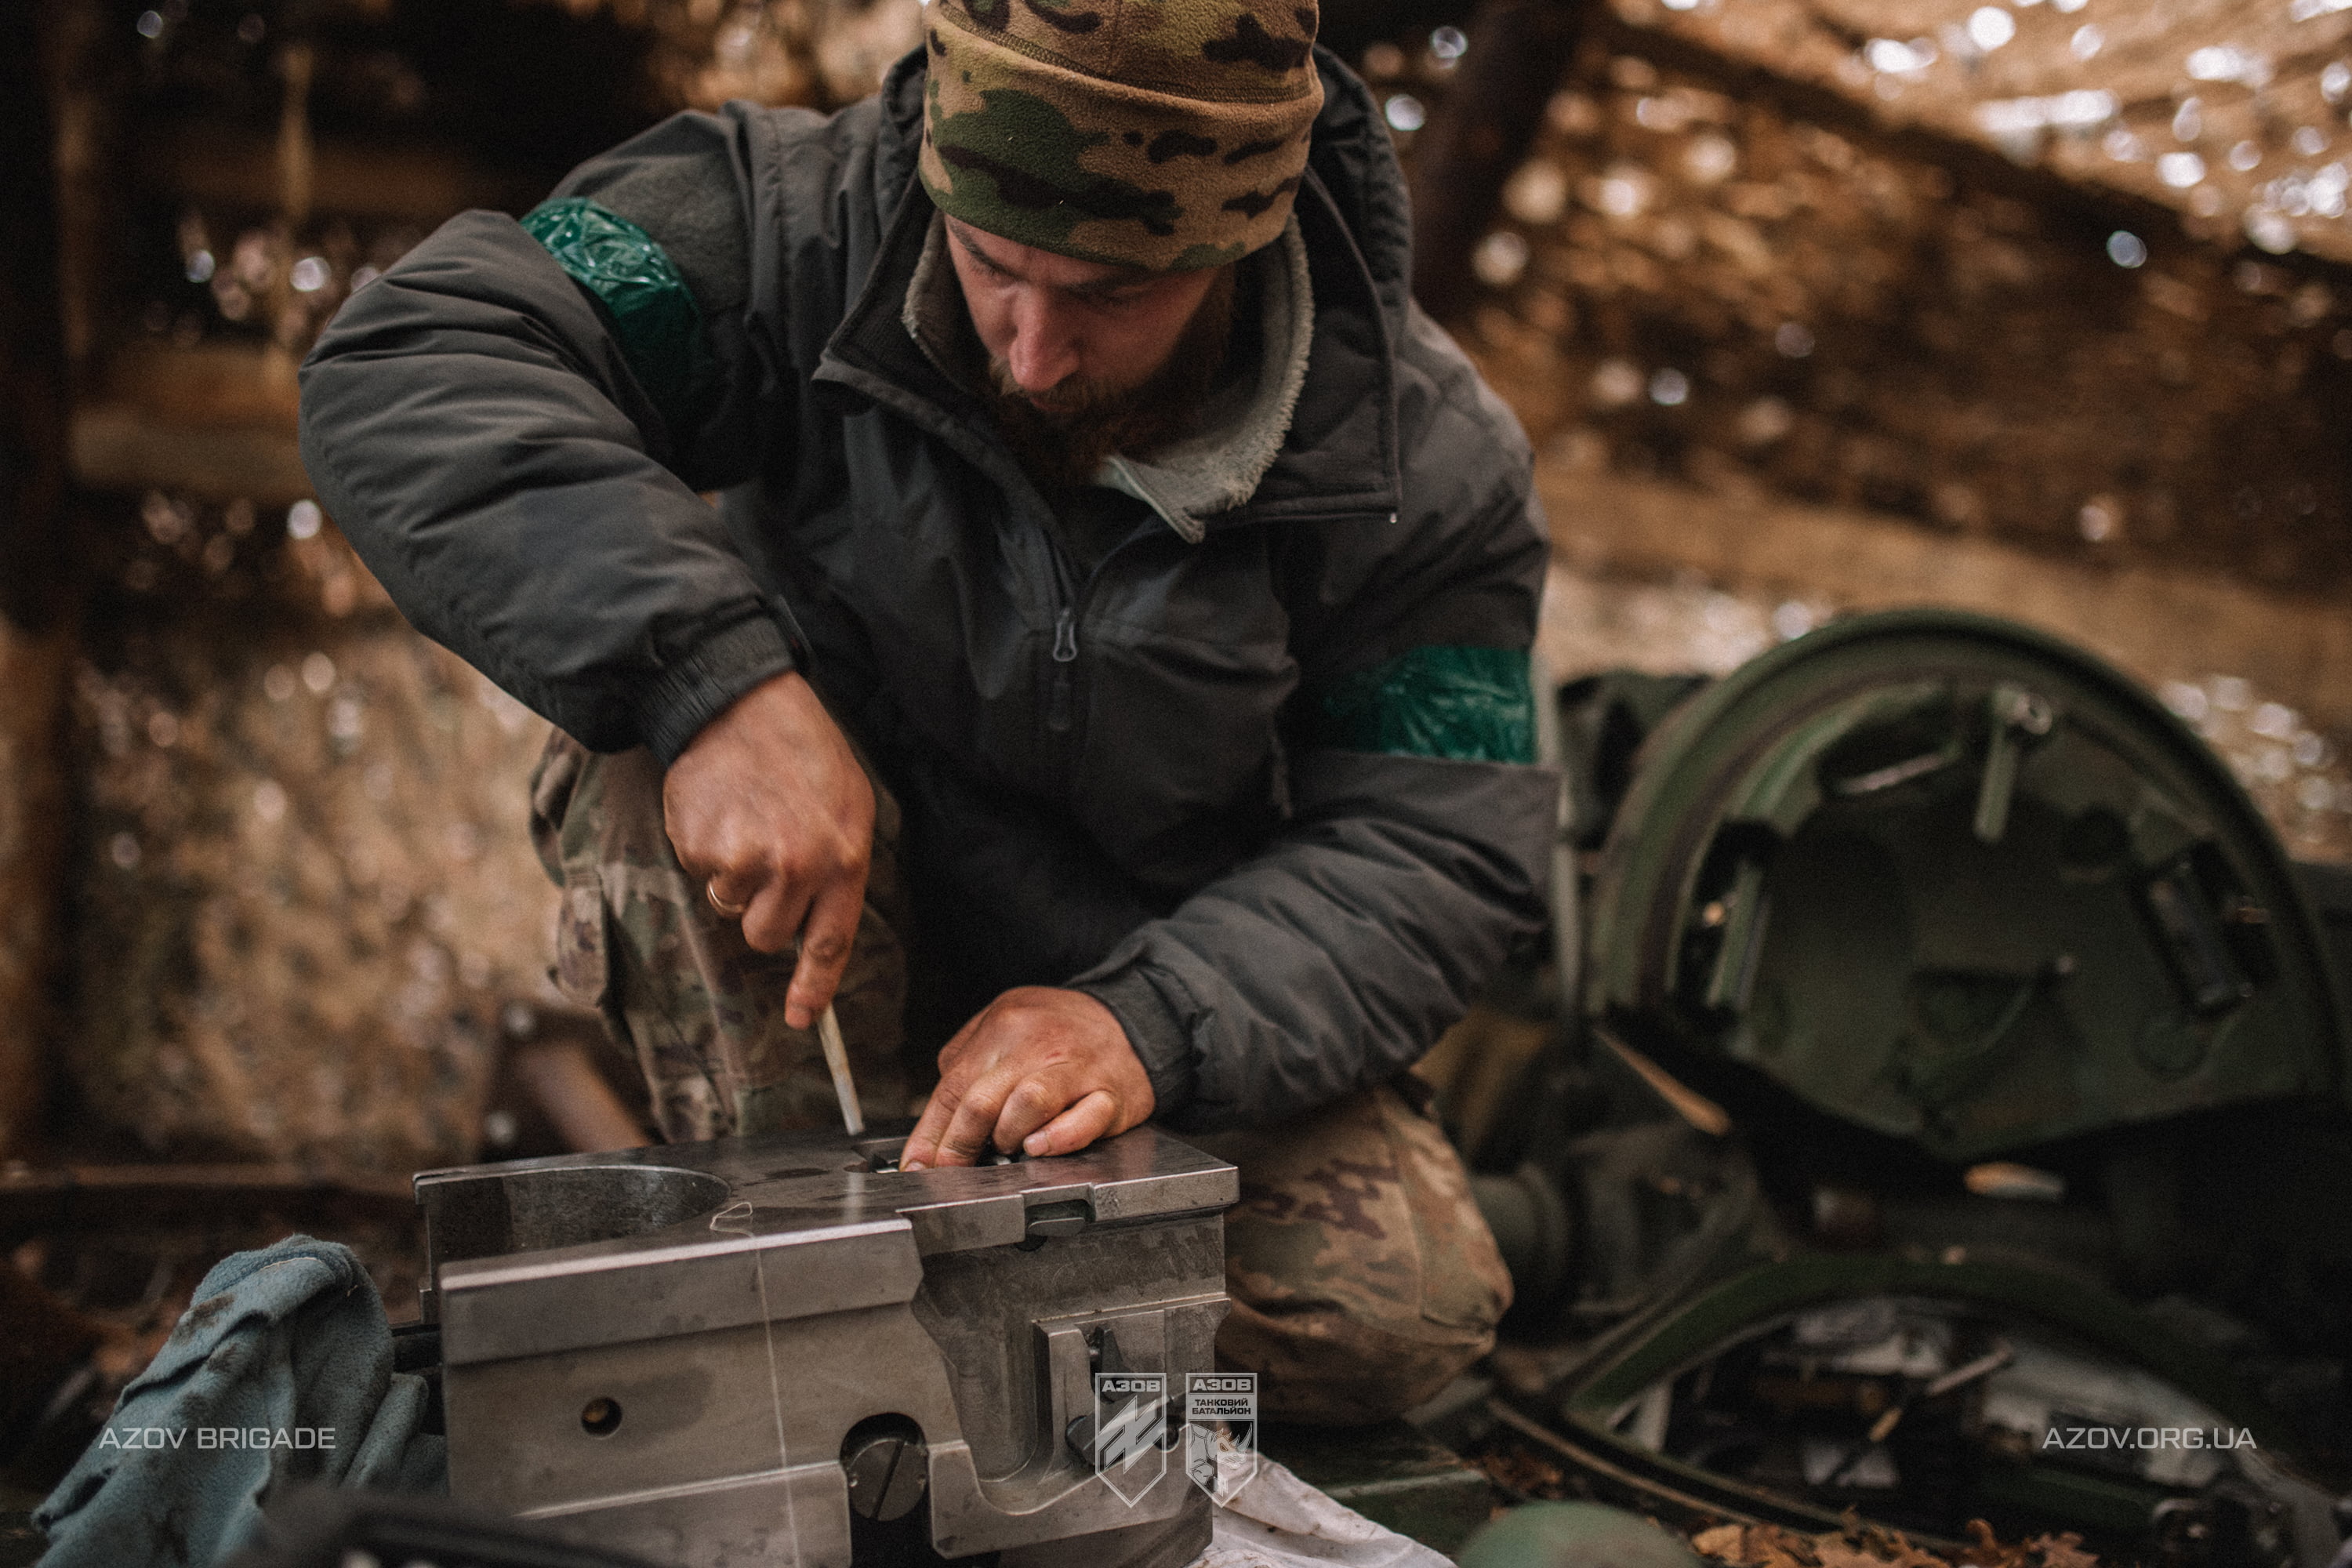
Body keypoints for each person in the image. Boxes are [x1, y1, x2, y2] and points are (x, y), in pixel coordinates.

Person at [299, 0, 1554, 1423]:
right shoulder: (790, 227)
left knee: (1393, 1315)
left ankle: (897, 1336)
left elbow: (1435, 848)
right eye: (993, 266)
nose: (1030, 352)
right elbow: (421, 355)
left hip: (1147, 999)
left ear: (1239, 245)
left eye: (1110, 297)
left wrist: (1149, 1021)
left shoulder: (1428, 468)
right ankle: (797, 1284)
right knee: (643, 760)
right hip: (816, 939)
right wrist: (714, 680)